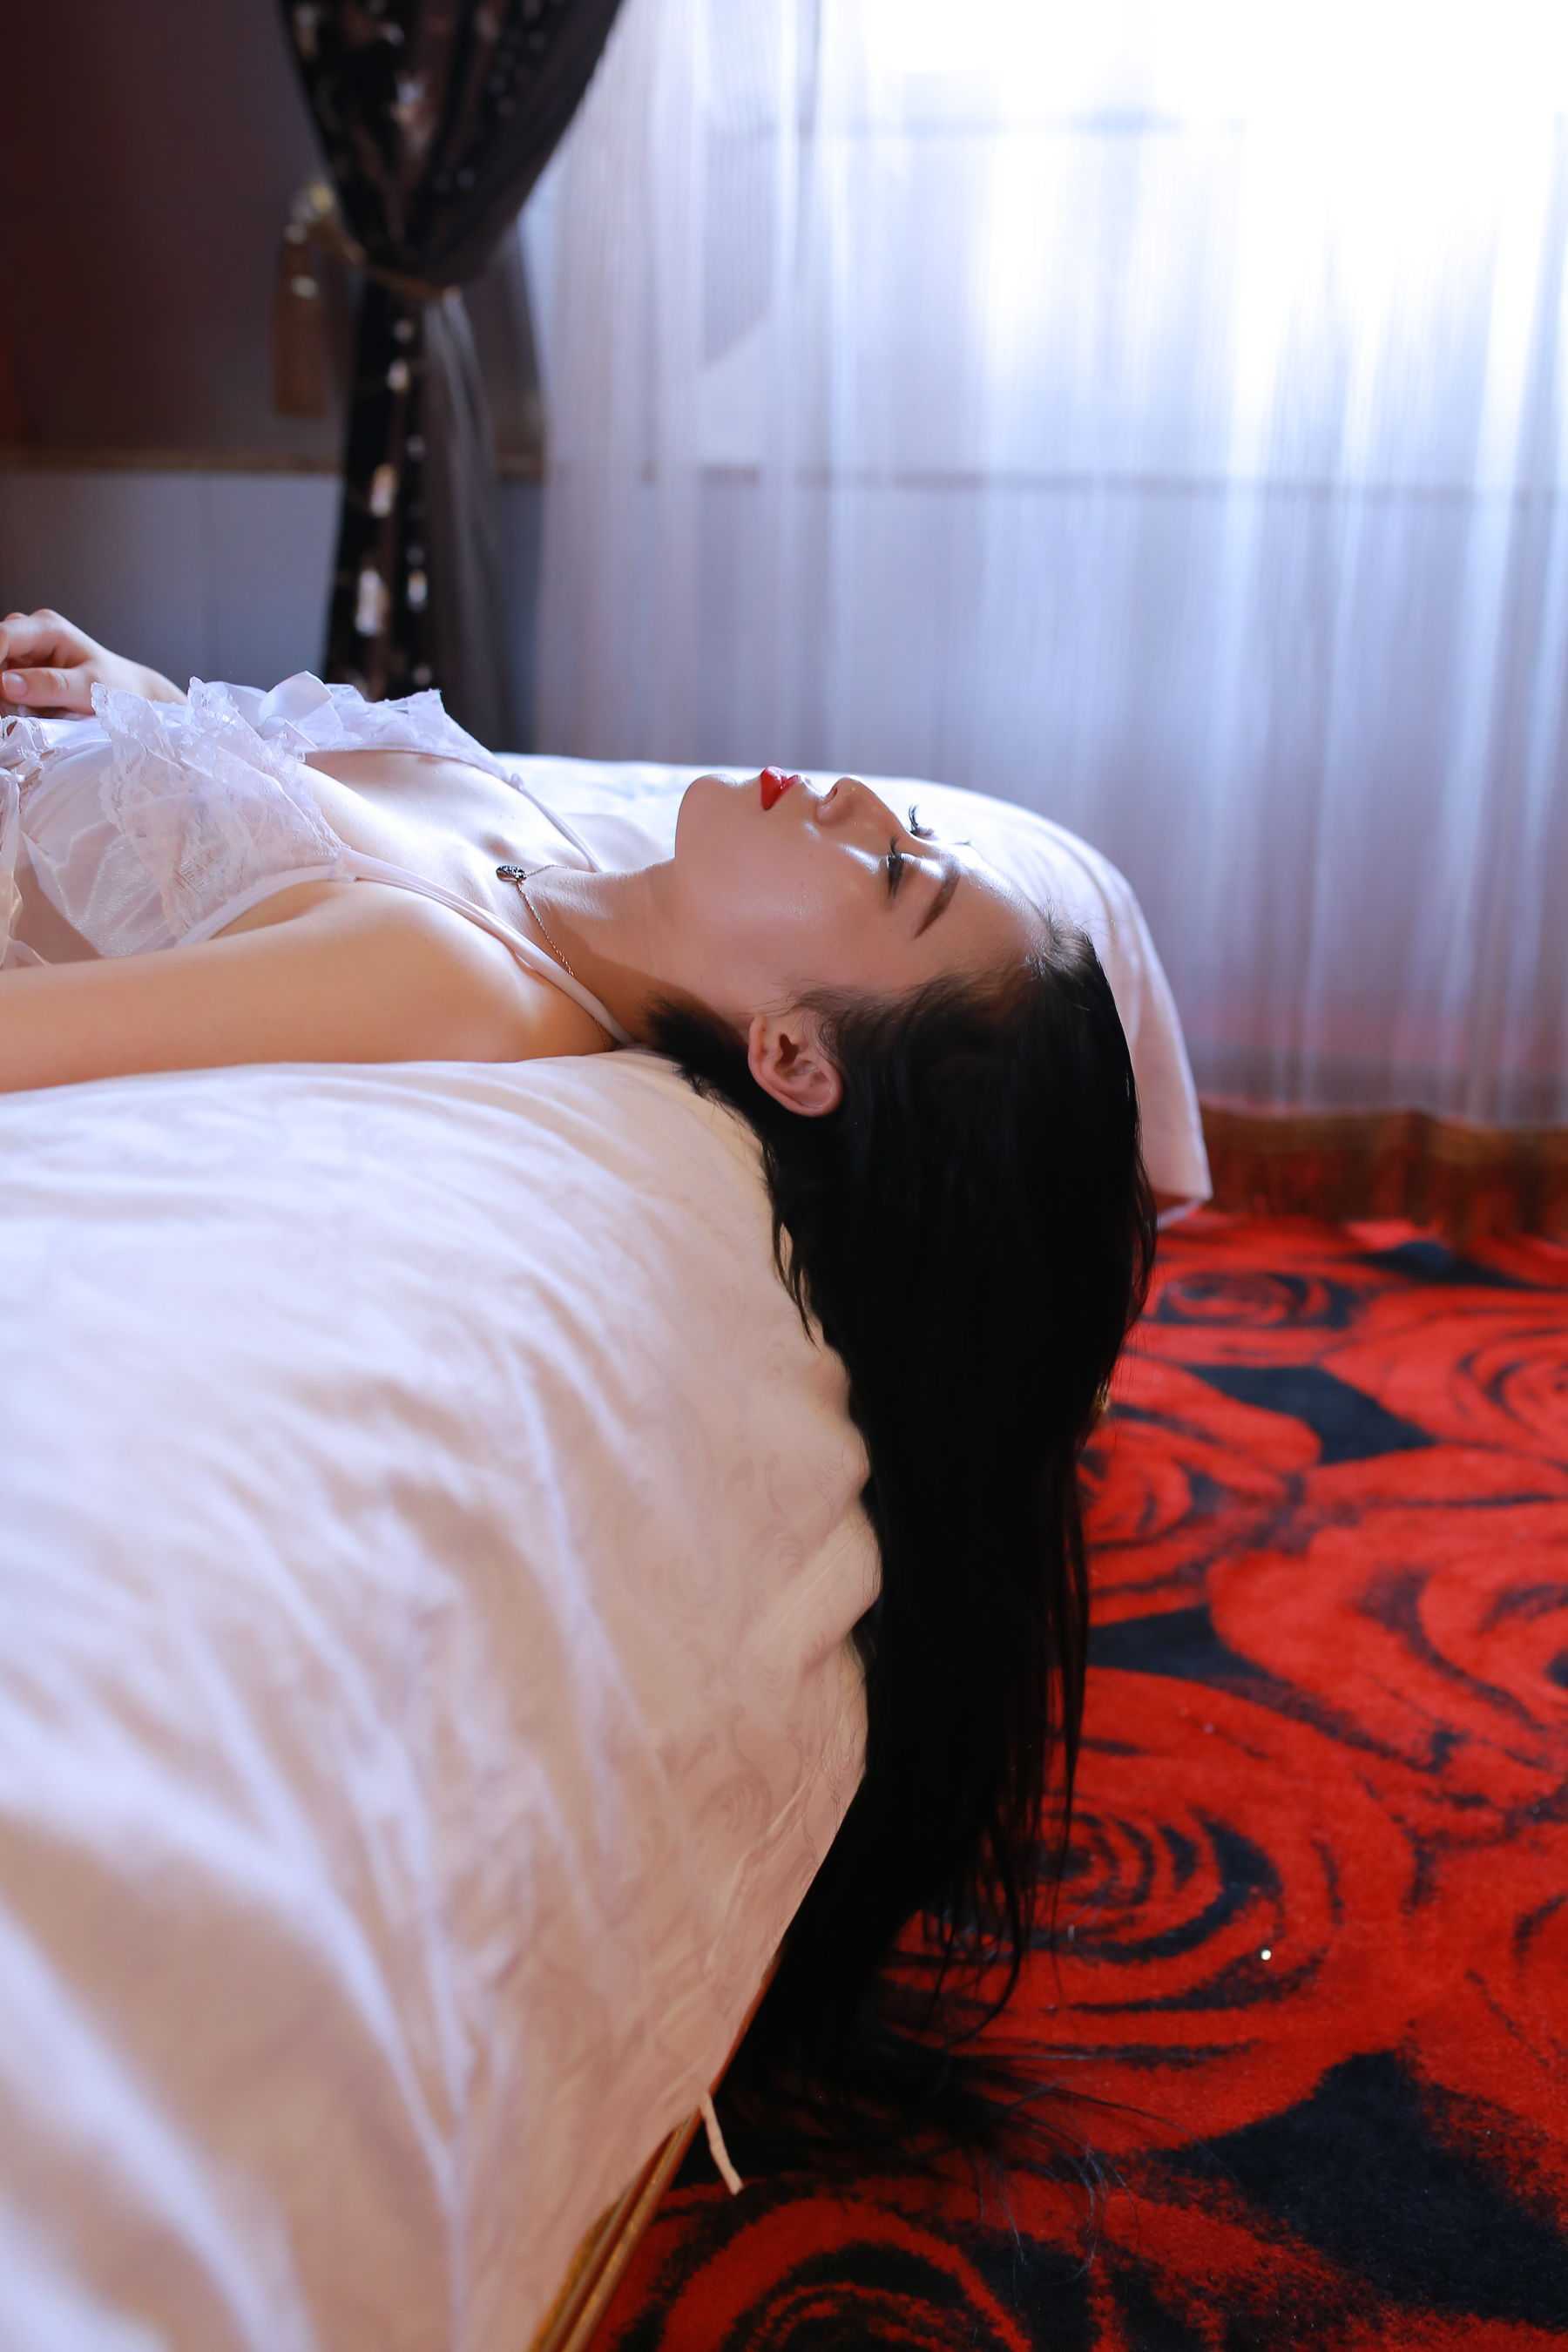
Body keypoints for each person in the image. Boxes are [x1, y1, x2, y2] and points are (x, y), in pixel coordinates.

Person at [1, 606, 1166, 2219]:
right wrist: (122, 698)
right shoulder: (553, 850)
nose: (854, 802)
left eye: (893, 873)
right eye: (910, 829)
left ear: (793, 1059)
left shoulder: (448, 984)